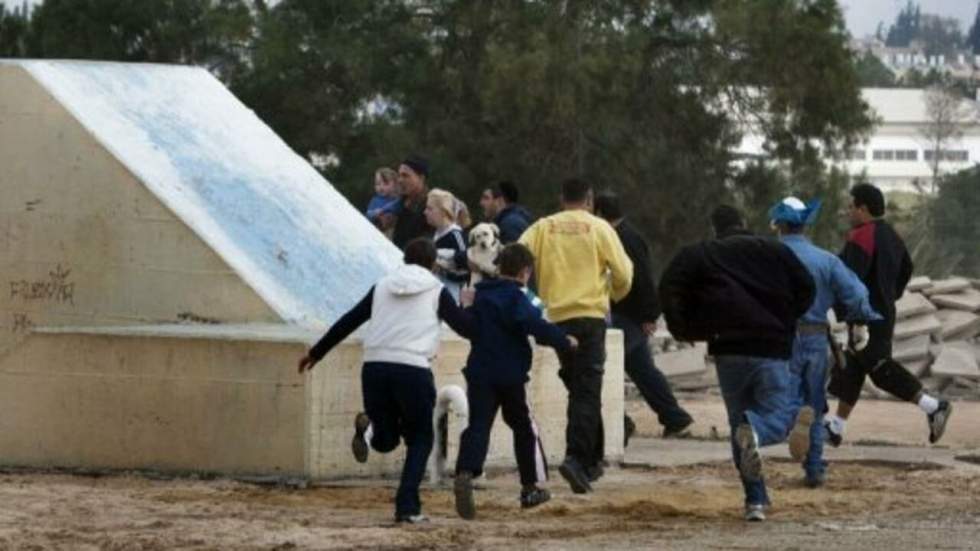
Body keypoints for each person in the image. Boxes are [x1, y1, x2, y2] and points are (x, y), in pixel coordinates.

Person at [296, 238, 473, 524]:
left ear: (404, 259)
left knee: (386, 439)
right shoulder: (437, 290)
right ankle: (407, 507)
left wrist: (317, 352)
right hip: (413, 368)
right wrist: (468, 307)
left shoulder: (381, 286)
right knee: (420, 437)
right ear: (432, 264)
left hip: (375, 367)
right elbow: (465, 328)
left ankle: (367, 431)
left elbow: (350, 320)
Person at [659, 204, 815, 522]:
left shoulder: (701, 253)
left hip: (728, 349)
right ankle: (756, 433)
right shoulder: (776, 252)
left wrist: (686, 328)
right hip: (771, 348)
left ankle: (755, 501)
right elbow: (807, 288)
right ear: (745, 223)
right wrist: (786, 317)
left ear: (715, 229)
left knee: (738, 426)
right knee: (778, 420)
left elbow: (669, 285)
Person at [519, 177, 633, 493]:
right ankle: (577, 459)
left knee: (579, 387)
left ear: (561, 198)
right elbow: (624, 272)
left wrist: (527, 296)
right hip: (590, 318)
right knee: (586, 391)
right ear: (590, 198)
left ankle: (592, 461)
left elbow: (516, 255)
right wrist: (614, 294)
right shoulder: (599, 228)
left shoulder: (543, 227)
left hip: (556, 320)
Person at [453, 243, 577, 519]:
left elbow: (469, 325)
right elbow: (534, 325)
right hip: (510, 374)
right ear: (525, 272)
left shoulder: (481, 295)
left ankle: (465, 471)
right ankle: (530, 487)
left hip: (480, 371)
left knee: (478, 426)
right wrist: (563, 340)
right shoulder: (517, 297)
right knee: (523, 426)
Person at [825, 183, 952, 446]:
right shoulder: (892, 236)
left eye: (851, 206)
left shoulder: (860, 236)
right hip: (882, 311)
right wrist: (888, 295)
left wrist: (844, 308)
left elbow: (850, 278)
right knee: (853, 370)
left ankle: (934, 406)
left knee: (880, 369)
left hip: (865, 316)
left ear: (863, 208)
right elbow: (907, 268)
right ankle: (835, 427)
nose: (848, 211)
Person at [768, 196, 882, 488]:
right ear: (805, 224)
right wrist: (860, 320)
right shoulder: (826, 259)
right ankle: (815, 468)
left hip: (781, 335)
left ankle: (795, 421)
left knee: (786, 397)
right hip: (817, 335)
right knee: (815, 402)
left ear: (778, 223)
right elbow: (856, 294)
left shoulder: (765, 257)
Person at [592, 191, 693, 443]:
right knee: (644, 372)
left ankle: (619, 422)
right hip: (628, 316)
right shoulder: (620, 235)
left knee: (601, 367)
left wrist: (649, 315)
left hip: (630, 318)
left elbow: (644, 279)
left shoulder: (625, 238)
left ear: (600, 214)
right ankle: (675, 419)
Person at [425, 189, 469, 302]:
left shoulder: (456, 235)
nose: (425, 212)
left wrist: (442, 269)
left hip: (451, 297)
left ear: (444, 212)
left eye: (430, 208)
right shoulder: (436, 235)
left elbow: (467, 269)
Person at [392, 156, 433, 250]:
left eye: (405, 175)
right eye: (399, 175)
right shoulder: (398, 203)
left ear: (421, 178)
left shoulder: (430, 206)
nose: (400, 180)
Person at [366, 167, 402, 234]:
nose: (381, 187)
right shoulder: (375, 200)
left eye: (386, 184)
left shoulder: (397, 200)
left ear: (395, 184)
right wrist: (374, 213)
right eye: (378, 184)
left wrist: (382, 210)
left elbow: (395, 207)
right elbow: (368, 214)